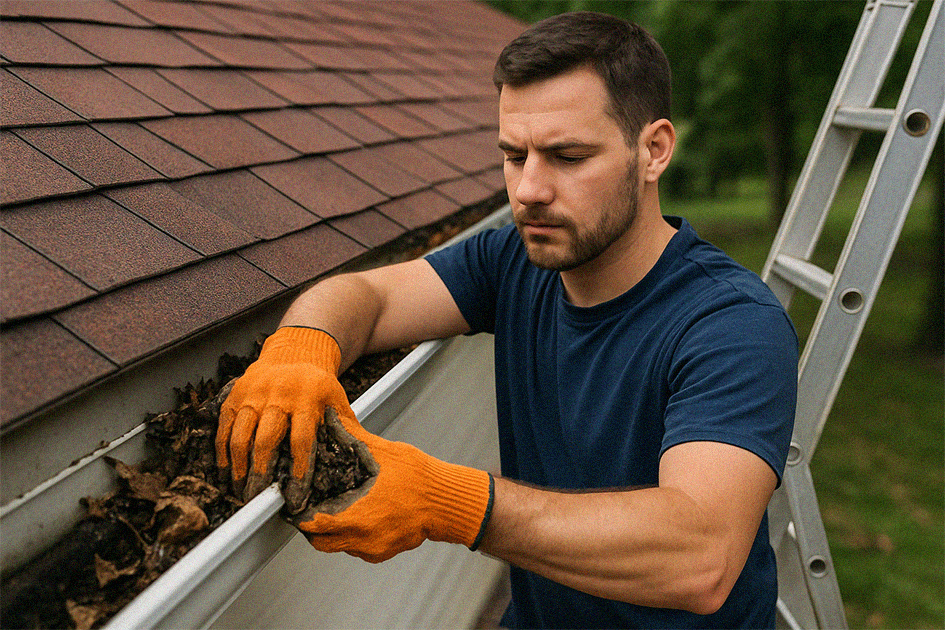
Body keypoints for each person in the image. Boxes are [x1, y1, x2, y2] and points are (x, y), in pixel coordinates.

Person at [216, 11, 798, 629]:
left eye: (567, 157)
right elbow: (369, 296)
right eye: (514, 156)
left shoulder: (731, 324)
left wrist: (451, 503)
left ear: (653, 151)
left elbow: (699, 557)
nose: (527, 190)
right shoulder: (515, 263)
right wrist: (301, 349)